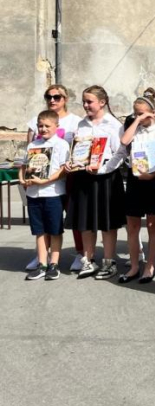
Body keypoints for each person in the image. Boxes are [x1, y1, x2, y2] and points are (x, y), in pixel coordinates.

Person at [64, 85, 126, 280]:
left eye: (89, 101)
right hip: (83, 177)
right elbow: (73, 150)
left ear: (102, 102)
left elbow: (120, 153)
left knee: (107, 222)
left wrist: (103, 169)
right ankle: (88, 260)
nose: (85, 105)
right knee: (86, 221)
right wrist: (69, 163)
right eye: (83, 101)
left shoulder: (114, 125)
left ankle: (109, 262)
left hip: (106, 178)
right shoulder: (80, 125)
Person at [24, 85, 84, 273]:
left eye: (57, 97)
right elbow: (30, 150)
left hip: (67, 176)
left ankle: (80, 253)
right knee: (43, 221)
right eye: (48, 96)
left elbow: (81, 147)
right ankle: (43, 256)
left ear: (65, 98)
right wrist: (28, 176)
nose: (52, 100)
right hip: (40, 181)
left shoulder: (76, 121)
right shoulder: (36, 120)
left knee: (71, 217)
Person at [118, 88, 155, 284]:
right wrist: (137, 121)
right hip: (134, 179)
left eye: (141, 113)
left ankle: (150, 265)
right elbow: (124, 141)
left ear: (152, 113)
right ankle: (134, 265)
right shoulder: (134, 130)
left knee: (152, 225)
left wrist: (153, 174)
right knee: (132, 225)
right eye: (135, 113)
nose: (136, 116)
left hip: (153, 181)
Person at [19, 110, 70, 280]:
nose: (43, 129)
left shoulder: (62, 145)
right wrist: (22, 179)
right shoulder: (32, 145)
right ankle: (42, 263)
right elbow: (24, 166)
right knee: (39, 231)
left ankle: (54, 263)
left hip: (53, 193)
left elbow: (63, 170)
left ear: (56, 126)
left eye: (47, 126)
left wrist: (46, 180)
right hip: (34, 194)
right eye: (40, 125)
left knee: (54, 230)